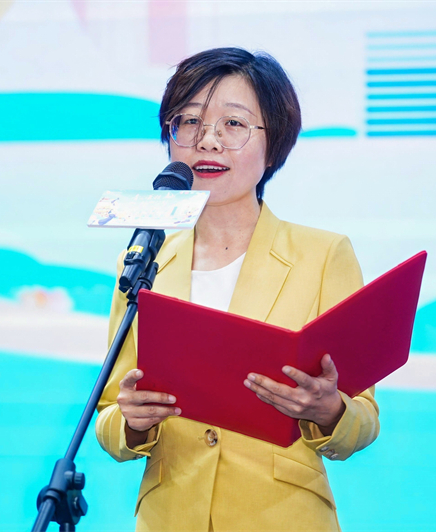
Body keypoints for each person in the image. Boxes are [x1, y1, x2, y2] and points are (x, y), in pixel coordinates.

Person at [96, 47, 379, 532]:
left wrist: (330, 410)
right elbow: (108, 414)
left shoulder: (323, 255)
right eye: (189, 122)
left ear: (274, 144)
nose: (207, 141)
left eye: (233, 124)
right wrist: (132, 422)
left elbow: (364, 419)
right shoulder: (144, 260)